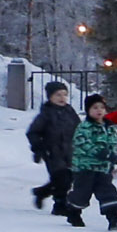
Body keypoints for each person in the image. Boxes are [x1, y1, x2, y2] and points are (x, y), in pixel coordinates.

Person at [61, 94, 117, 228]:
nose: (99, 110)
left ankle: (114, 218)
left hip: (103, 169)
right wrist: (102, 153)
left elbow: (111, 145)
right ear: (88, 110)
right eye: (95, 107)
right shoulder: (84, 127)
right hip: (85, 168)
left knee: (108, 192)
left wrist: (115, 157)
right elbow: (83, 145)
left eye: (102, 107)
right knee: (82, 194)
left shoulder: (110, 127)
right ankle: (72, 212)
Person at [25, 79, 79, 213]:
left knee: (70, 177)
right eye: (58, 95)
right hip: (52, 151)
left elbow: (79, 128)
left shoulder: (69, 112)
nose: (62, 98)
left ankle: (42, 192)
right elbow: (33, 132)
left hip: (70, 150)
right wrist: (38, 148)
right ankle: (60, 205)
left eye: (64, 94)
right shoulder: (46, 114)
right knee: (62, 178)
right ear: (50, 97)